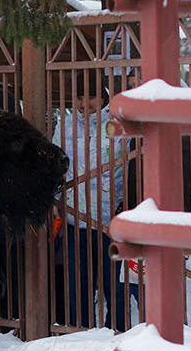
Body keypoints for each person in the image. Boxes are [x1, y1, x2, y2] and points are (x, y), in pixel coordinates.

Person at [52, 81, 136, 332]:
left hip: (111, 219)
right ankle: (80, 333)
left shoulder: (118, 126)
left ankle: (117, 333)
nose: (84, 103)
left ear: (103, 99)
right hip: (73, 218)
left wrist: (126, 205)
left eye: (90, 97)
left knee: (116, 286)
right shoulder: (64, 127)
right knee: (78, 285)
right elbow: (55, 166)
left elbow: (131, 169)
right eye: (79, 97)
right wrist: (55, 200)